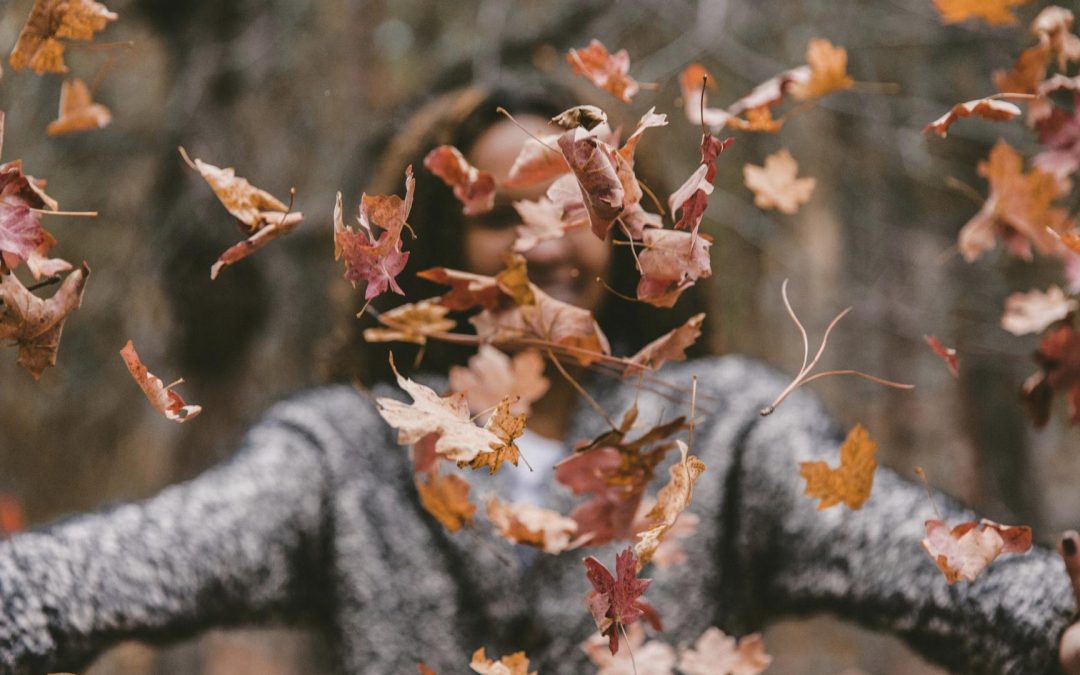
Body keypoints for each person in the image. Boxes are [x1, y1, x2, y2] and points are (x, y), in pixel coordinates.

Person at [0, 75, 1078, 675]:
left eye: (578, 206)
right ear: (433, 251)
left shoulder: (727, 431)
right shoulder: (344, 455)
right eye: (503, 211)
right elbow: (133, 563)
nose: (548, 240)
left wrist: (1056, 617)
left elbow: (914, 559)